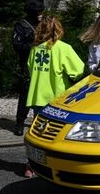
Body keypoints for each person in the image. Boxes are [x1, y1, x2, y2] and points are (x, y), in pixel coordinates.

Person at [24, 14, 85, 178]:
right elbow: (78, 71)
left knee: (37, 135)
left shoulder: (35, 49)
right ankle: (56, 166)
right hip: (57, 100)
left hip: (37, 97)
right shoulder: (63, 48)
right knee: (56, 137)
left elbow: (30, 70)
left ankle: (31, 165)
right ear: (58, 29)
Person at [12, 0, 45, 136]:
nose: (40, 14)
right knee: (26, 93)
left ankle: (40, 122)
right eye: (38, 12)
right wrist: (33, 45)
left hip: (43, 63)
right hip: (27, 63)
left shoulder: (44, 24)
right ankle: (20, 122)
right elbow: (17, 46)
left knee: (42, 92)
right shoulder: (22, 26)